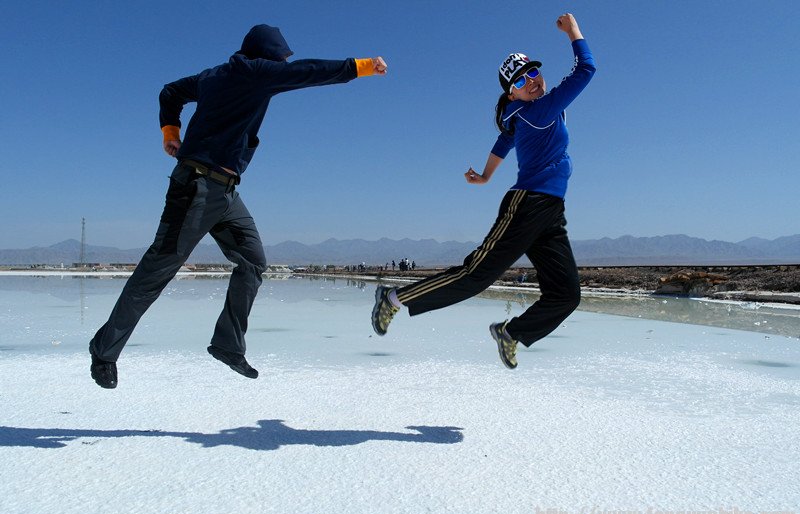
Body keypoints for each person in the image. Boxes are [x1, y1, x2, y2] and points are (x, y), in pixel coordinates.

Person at [89, 24, 387, 388]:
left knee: (253, 261)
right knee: (157, 271)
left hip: (226, 192)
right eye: (280, 58)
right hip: (196, 188)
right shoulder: (256, 73)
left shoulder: (214, 75)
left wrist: (170, 132)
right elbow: (308, 71)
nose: (283, 64)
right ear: (266, 55)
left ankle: (227, 344)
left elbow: (170, 92)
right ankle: (104, 351)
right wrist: (363, 66)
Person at [371, 13, 594, 369]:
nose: (531, 82)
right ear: (512, 92)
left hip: (552, 211)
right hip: (527, 205)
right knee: (476, 275)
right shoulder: (539, 111)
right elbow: (586, 70)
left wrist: (487, 175)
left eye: (533, 73)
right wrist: (573, 31)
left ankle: (512, 333)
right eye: (521, 80)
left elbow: (505, 140)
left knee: (567, 295)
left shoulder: (525, 114)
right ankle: (392, 299)